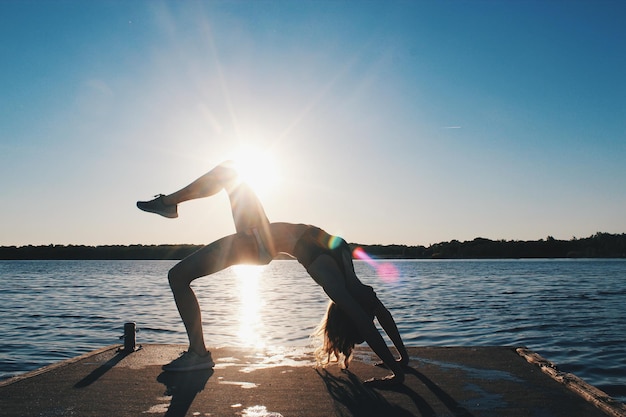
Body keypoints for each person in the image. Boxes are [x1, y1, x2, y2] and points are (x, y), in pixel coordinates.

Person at [137, 160, 408, 385]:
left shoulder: (336, 284)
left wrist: (396, 375)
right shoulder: (352, 275)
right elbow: (379, 314)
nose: (373, 300)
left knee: (178, 274)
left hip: (256, 244)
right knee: (228, 173)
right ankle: (169, 204)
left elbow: (365, 322)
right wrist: (401, 359)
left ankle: (198, 352)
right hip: (259, 236)